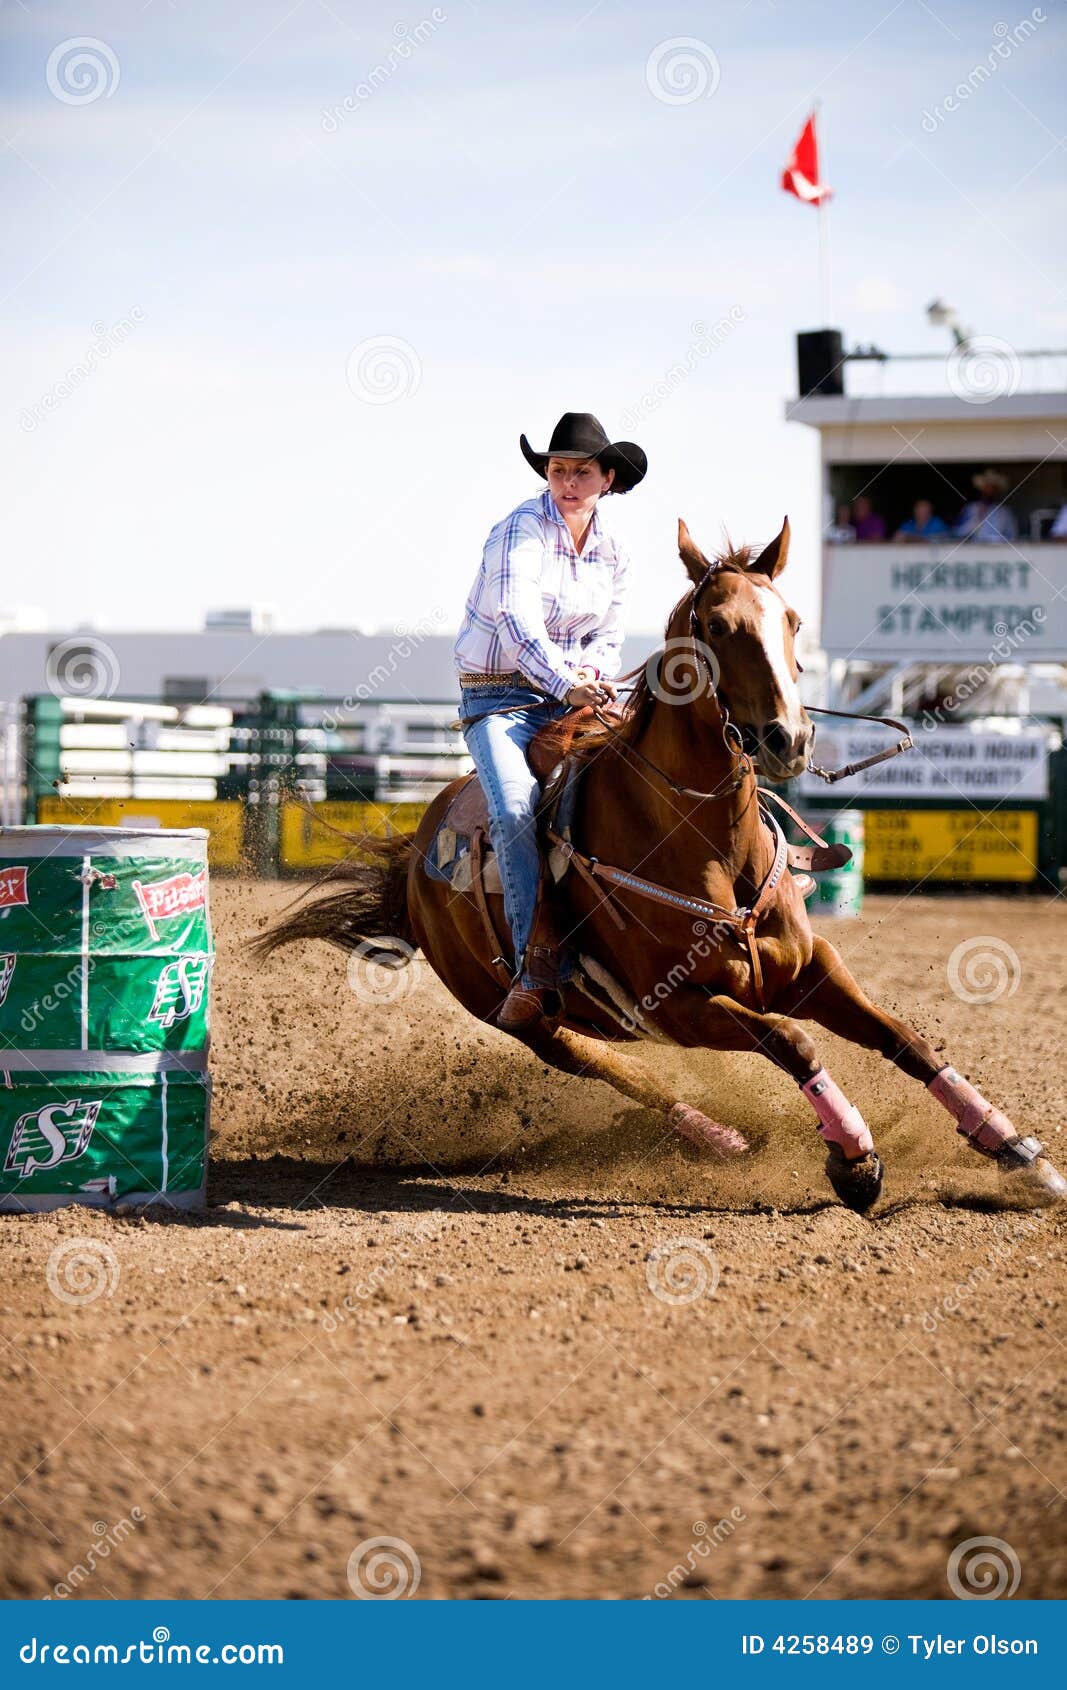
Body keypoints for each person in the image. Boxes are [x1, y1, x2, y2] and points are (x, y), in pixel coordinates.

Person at [453, 412, 646, 1031]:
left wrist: (592, 678)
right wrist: (570, 684)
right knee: (513, 809)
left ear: (607, 479)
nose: (566, 481)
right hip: (499, 699)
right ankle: (532, 965)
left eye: (580, 471)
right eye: (557, 469)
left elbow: (609, 633)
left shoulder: (615, 550)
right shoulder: (519, 531)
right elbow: (515, 621)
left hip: (572, 695)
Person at [956, 469, 1017, 542]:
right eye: (987, 487)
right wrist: (977, 519)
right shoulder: (971, 508)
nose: (989, 491)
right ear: (982, 489)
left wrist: (998, 540)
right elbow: (959, 533)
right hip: (974, 550)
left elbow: (1013, 535)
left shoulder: (1005, 511)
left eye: (993, 488)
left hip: (998, 550)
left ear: (997, 490)